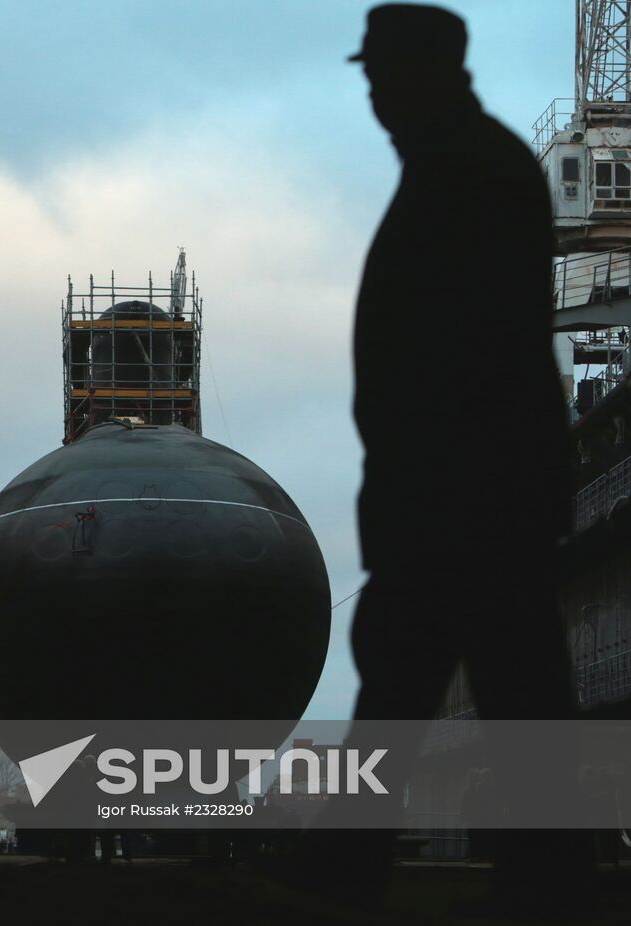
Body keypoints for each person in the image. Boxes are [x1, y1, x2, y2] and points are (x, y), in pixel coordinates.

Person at [325, 4, 592, 913]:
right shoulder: (463, 164)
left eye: (380, 74)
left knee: (416, 680)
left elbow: (462, 354)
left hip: (459, 495)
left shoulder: (464, 171)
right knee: (499, 690)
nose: (370, 92)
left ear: (421, 71)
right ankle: (546, 871)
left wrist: (426, 483)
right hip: (467, 492)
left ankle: (359, 867)